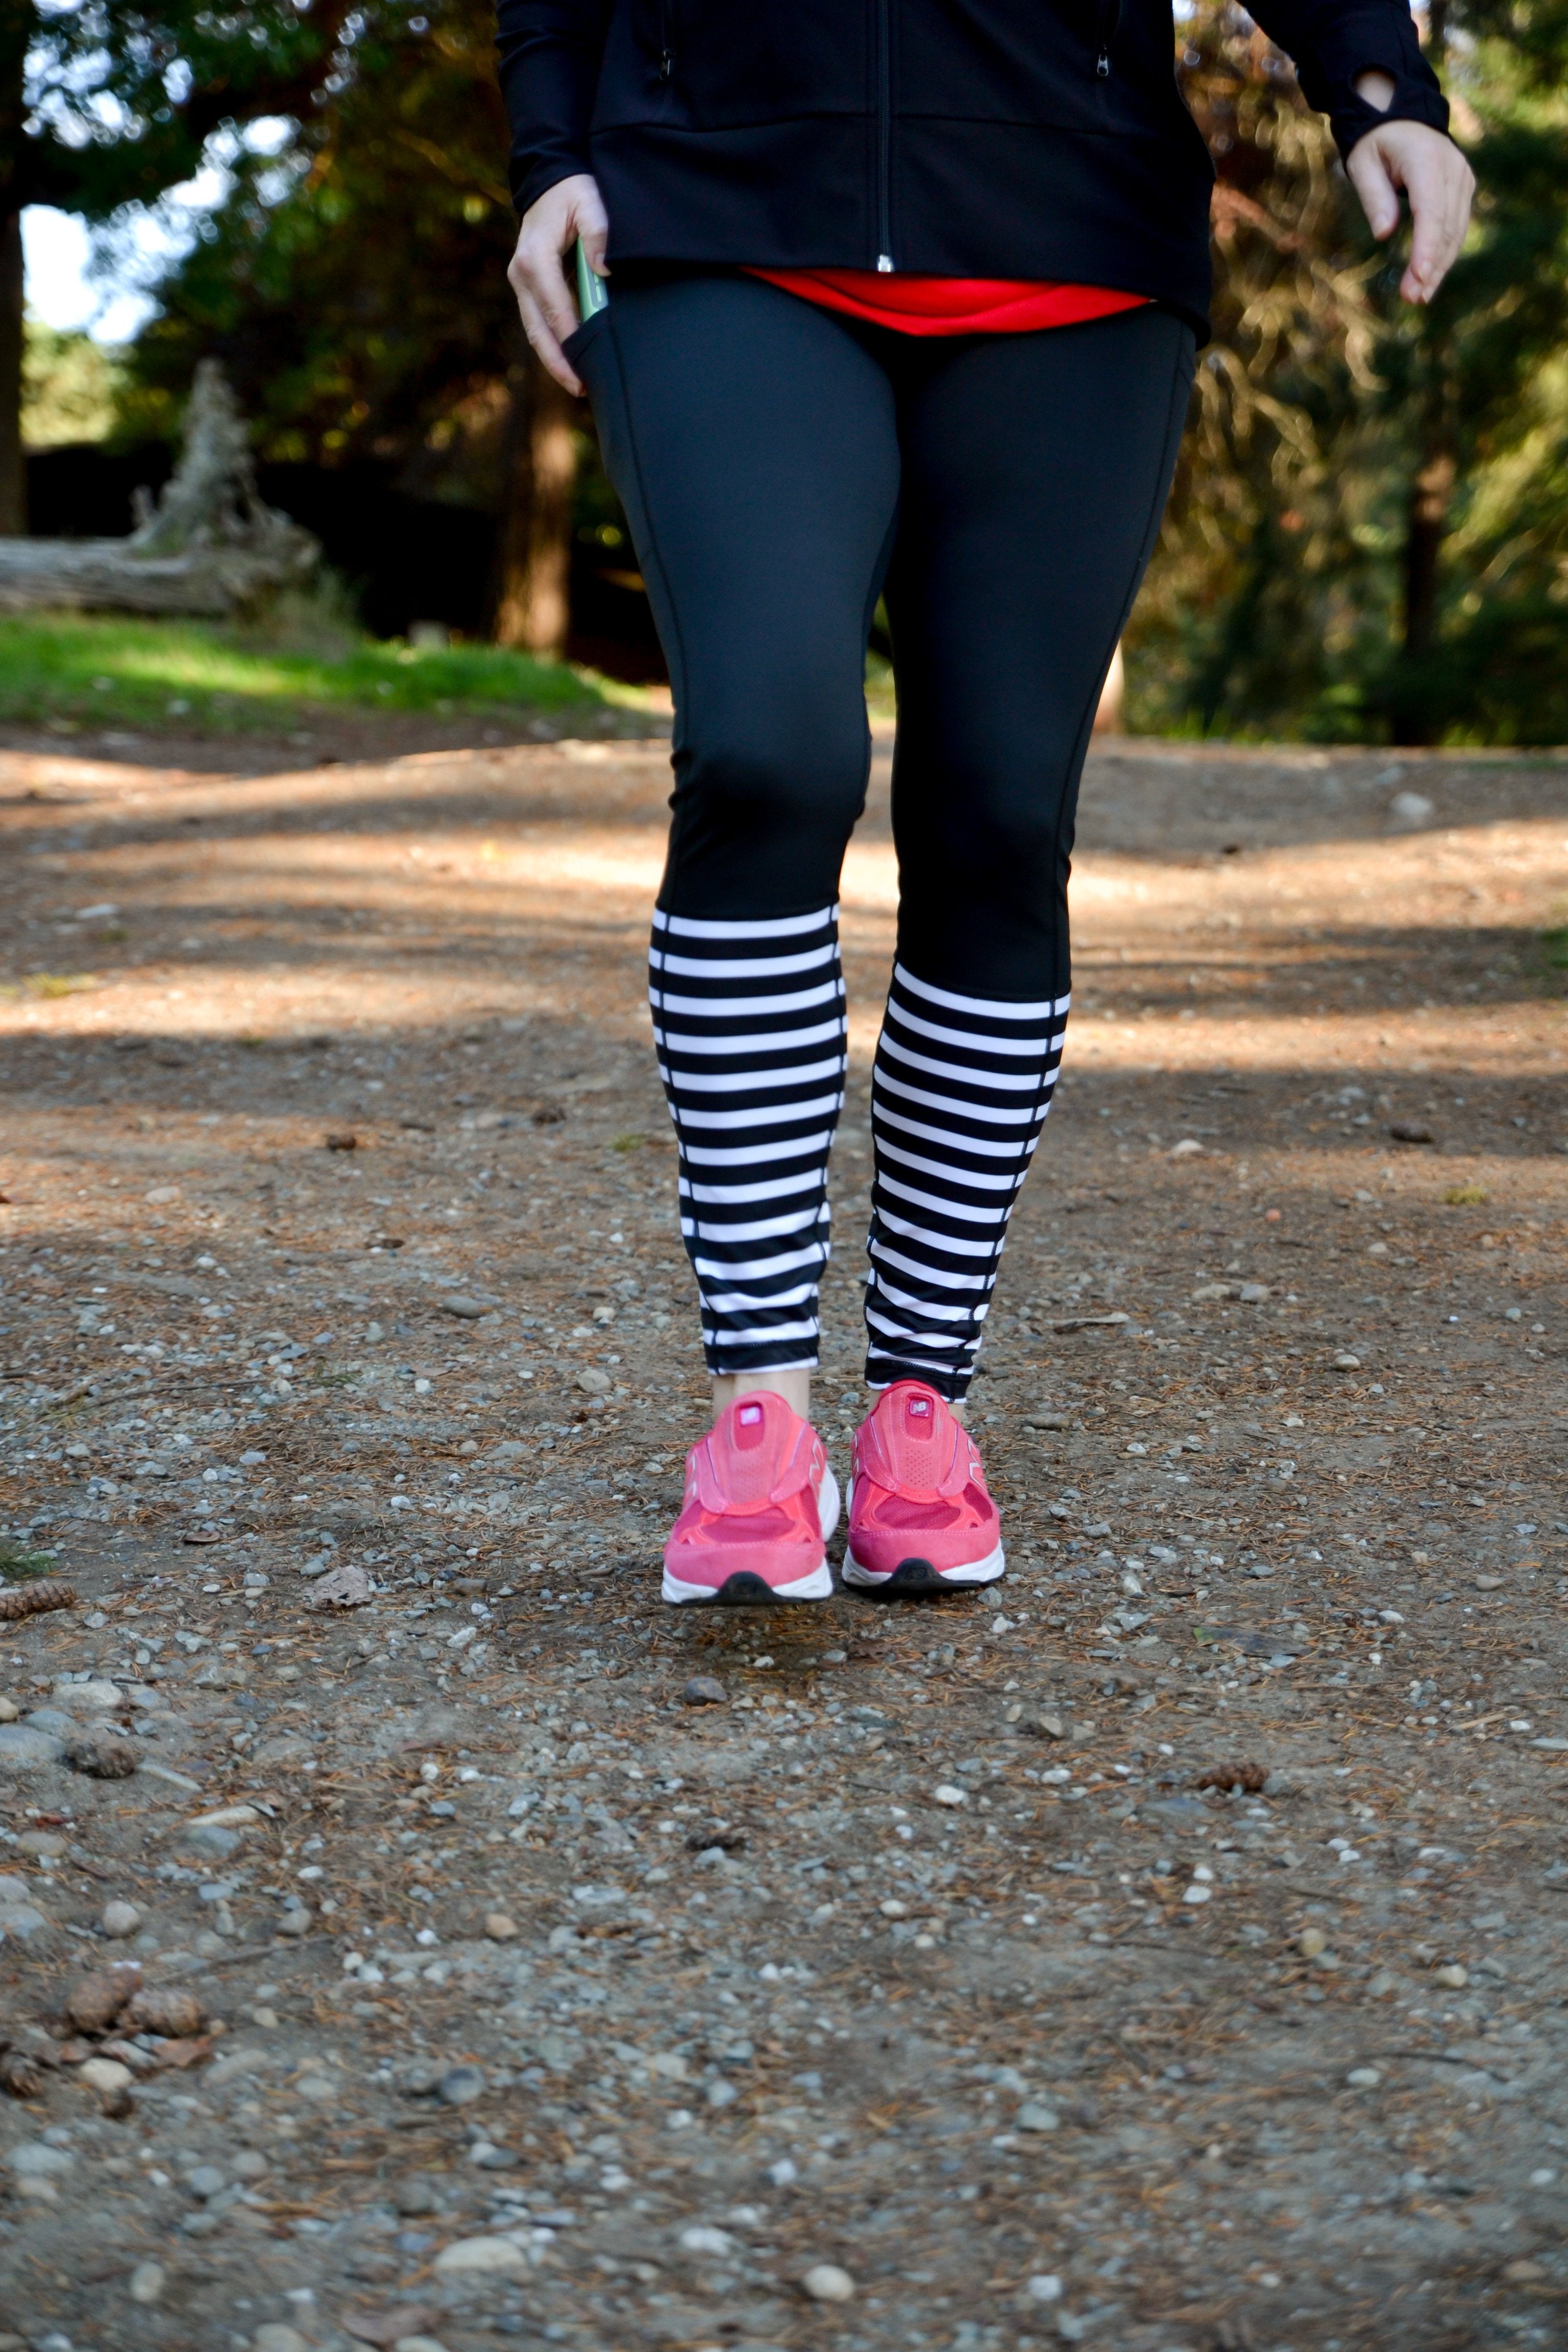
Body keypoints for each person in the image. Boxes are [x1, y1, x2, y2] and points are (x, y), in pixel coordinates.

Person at [496, 0, 1473, 1608]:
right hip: (718, 217)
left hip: (1071, 242)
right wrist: (551, 153)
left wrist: (1380, 85)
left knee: (1002, 816)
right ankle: (762, 1414)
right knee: (763, 758)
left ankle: (919, 1405)